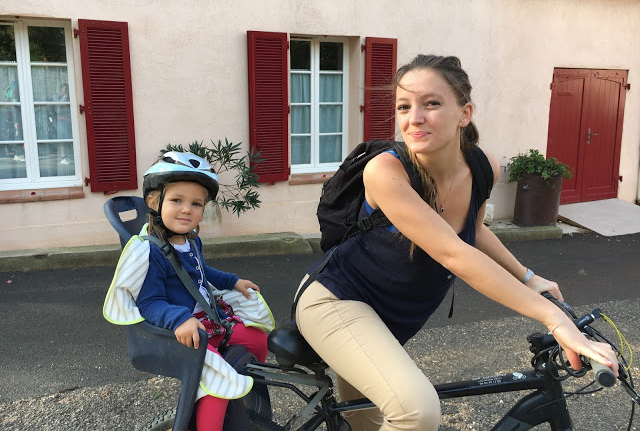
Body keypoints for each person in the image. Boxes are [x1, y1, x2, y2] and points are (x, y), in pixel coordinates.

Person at [294, 55, 618, 431]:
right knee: (416, 412)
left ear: (465, 113)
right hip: (336, 301)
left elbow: (471, 232)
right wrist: (554, 318)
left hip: (389, 317)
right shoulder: (386, 171)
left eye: (431, 103)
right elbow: (453, 252)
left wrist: (529, 277)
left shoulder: (481, 168)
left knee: (366, 423)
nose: (414, 118)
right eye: (404, 106)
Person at [105, 151, 273, 431]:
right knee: (217, 383)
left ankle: (246, 400)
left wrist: (233, 281)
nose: (187, 210)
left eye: (196, 204)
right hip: (183, 332)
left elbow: (202, 272)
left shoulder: (191, 241)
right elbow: (150, 302)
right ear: (154, 202)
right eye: (176, 200)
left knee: (257, 339)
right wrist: (179, 319)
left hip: (209, 321)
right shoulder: (151, 253)